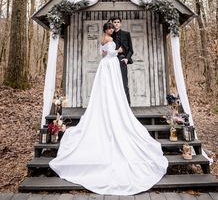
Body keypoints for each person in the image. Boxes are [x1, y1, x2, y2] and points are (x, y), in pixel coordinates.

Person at [49, 22, 168, 195]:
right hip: (110, 64)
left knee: (112, 89)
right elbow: (110, 52)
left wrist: (115, 52)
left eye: (113, 27)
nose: (112, 30)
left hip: (107, 65)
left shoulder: (104, 39)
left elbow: (102, 52)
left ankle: (113, 104)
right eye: (110, 27)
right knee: (110, 88)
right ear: (106, 29)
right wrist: (119, 51)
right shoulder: (108, 38)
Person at [111, 16, 133, 105]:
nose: (116, 23)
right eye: (114, 22)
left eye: (118, 22)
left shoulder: (126, 34)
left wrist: (127, 59)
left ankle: (127, 105)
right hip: (112, 61)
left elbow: (131, 50)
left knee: (124, 84)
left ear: (120, 23)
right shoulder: (109, 35)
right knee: (112, 83)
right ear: (112, 23)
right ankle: (115, 105)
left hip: (122, 60)